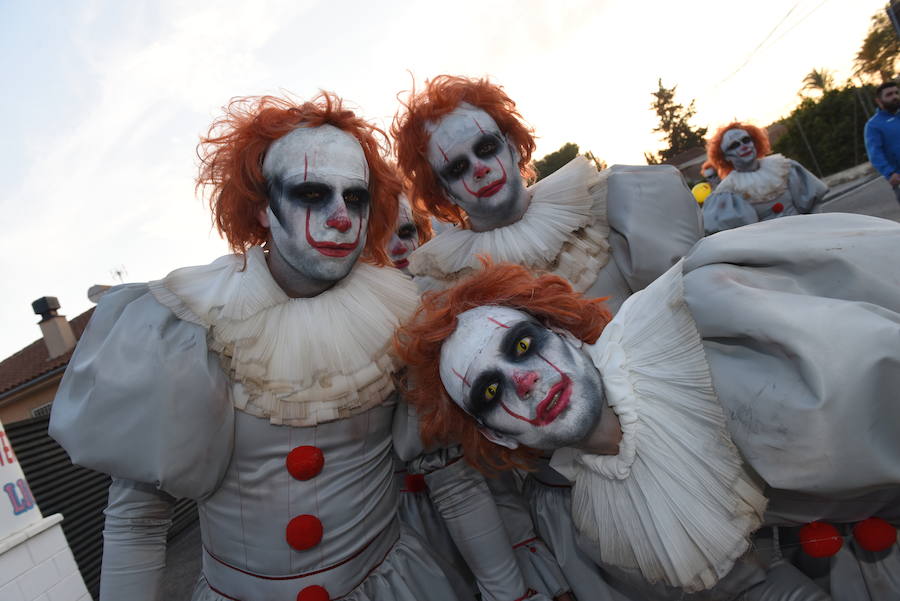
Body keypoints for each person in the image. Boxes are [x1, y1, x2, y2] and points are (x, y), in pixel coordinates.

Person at [48, 93, 476, 601]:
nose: (341, 217)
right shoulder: (186, 324)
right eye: (312, 194)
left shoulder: (399, 314)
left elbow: (450, 476)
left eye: (355, 198)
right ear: (262, 209)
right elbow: (136, 520)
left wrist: (509, 590)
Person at [395, 213, 900, 600]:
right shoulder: (609, 528)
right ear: (499, 436)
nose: (523, 381)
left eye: (522, 346)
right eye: (490, 392)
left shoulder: (703, 315)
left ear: (563, 333)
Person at [392, 74, 703, 313]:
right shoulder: (441, 282)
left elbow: (684, 305)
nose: (479, 168)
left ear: (513, 146)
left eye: (486, 149)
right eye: (457, 168)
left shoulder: (608, 204)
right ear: (443, 192)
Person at [702, 122, 828, 234]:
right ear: (725, 157)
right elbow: (740, 237)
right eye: (734, 145)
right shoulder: (728, 191)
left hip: (808, 235)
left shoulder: (784, 167)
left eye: (746, 140)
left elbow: (812, 207)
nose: (743, 146)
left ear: (754, 142)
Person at [864, 80, 900, 204]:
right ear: (879, 101)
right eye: (889, 94)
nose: (895, 96)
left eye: (896, 92)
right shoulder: (873, 125)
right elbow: (875, 154)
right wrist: (890, 174)